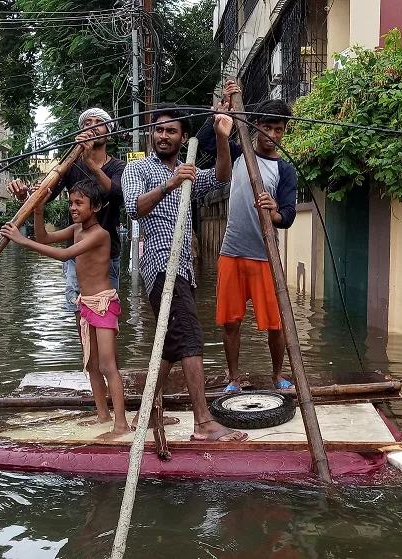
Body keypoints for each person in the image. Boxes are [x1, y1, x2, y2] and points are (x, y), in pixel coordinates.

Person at [122, 101, 248, 443]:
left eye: (171, 131)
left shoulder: (189, 171)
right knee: (191, 337)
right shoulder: (140, 170)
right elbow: (134, 208)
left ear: (183, 137)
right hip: (161, 266)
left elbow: (221, 174)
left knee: (171, 345)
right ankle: (203, 422)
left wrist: (222, 136)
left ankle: (144, 414)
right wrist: (170, 184)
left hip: (185, 269)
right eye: (159, 130)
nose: (163, 136)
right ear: (152, 134)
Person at [1, 179, 130, 438]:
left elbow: (63, 255)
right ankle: (103, 415)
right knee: (92, 365)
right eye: (71, 202)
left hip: (104, 304)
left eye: (78, 203)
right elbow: (44, 237)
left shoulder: (100, 235)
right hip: (86, 306)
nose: (72, 207)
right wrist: (38, 210)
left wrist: (21, 241)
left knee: (108, 366)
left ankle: (121, 424)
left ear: (95, 207)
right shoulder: (76, 229)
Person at [196, 80, 298, 393]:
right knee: (231, 322)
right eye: (269, 127)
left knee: (276, 323)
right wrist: (220, 113)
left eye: (280, 129)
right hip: (232, 252)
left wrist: (274, 211)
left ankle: (277, 375)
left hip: (265, 256)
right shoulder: (238, 153)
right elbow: (204, 142)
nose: (274, 135)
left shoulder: (285, 170)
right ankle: (233, 378)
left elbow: (289, 216)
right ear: (255, 125)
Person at [8, 108, 126, 318]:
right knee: (81, 317)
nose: (92, 126)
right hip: (76, 256)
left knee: (106, 316)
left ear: (108, 133)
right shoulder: (69, 166)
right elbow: (45, 198)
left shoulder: (118, 167)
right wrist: (24, 196)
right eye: (87, 123)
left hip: (107, 255)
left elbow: (117, 195)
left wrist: (90, 163)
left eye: (98, 122)